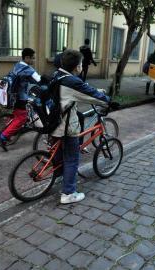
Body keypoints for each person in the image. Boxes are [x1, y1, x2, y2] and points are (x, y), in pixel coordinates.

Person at [50, 49, 117, 204]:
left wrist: (95, 90)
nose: (81, 67)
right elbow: (91, 95)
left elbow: (84, 89)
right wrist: (108, 100)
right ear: (77, 67)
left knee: (61, 155)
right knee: (73, 158)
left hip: (53, 122)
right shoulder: (72, 81)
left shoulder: (58, 75)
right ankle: (68, 193)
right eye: (80, 64)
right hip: (65, 126)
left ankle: (61, 176)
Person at [0, 48, 42, 151]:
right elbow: (39, 80)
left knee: (17, 114)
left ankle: (9, 129)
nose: (34, 60)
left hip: (12, 96)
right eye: (33, 58)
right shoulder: (28, 70)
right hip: (21, 97)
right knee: (22, 118)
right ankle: (3, 137)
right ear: (27, 58)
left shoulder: (18, 65)